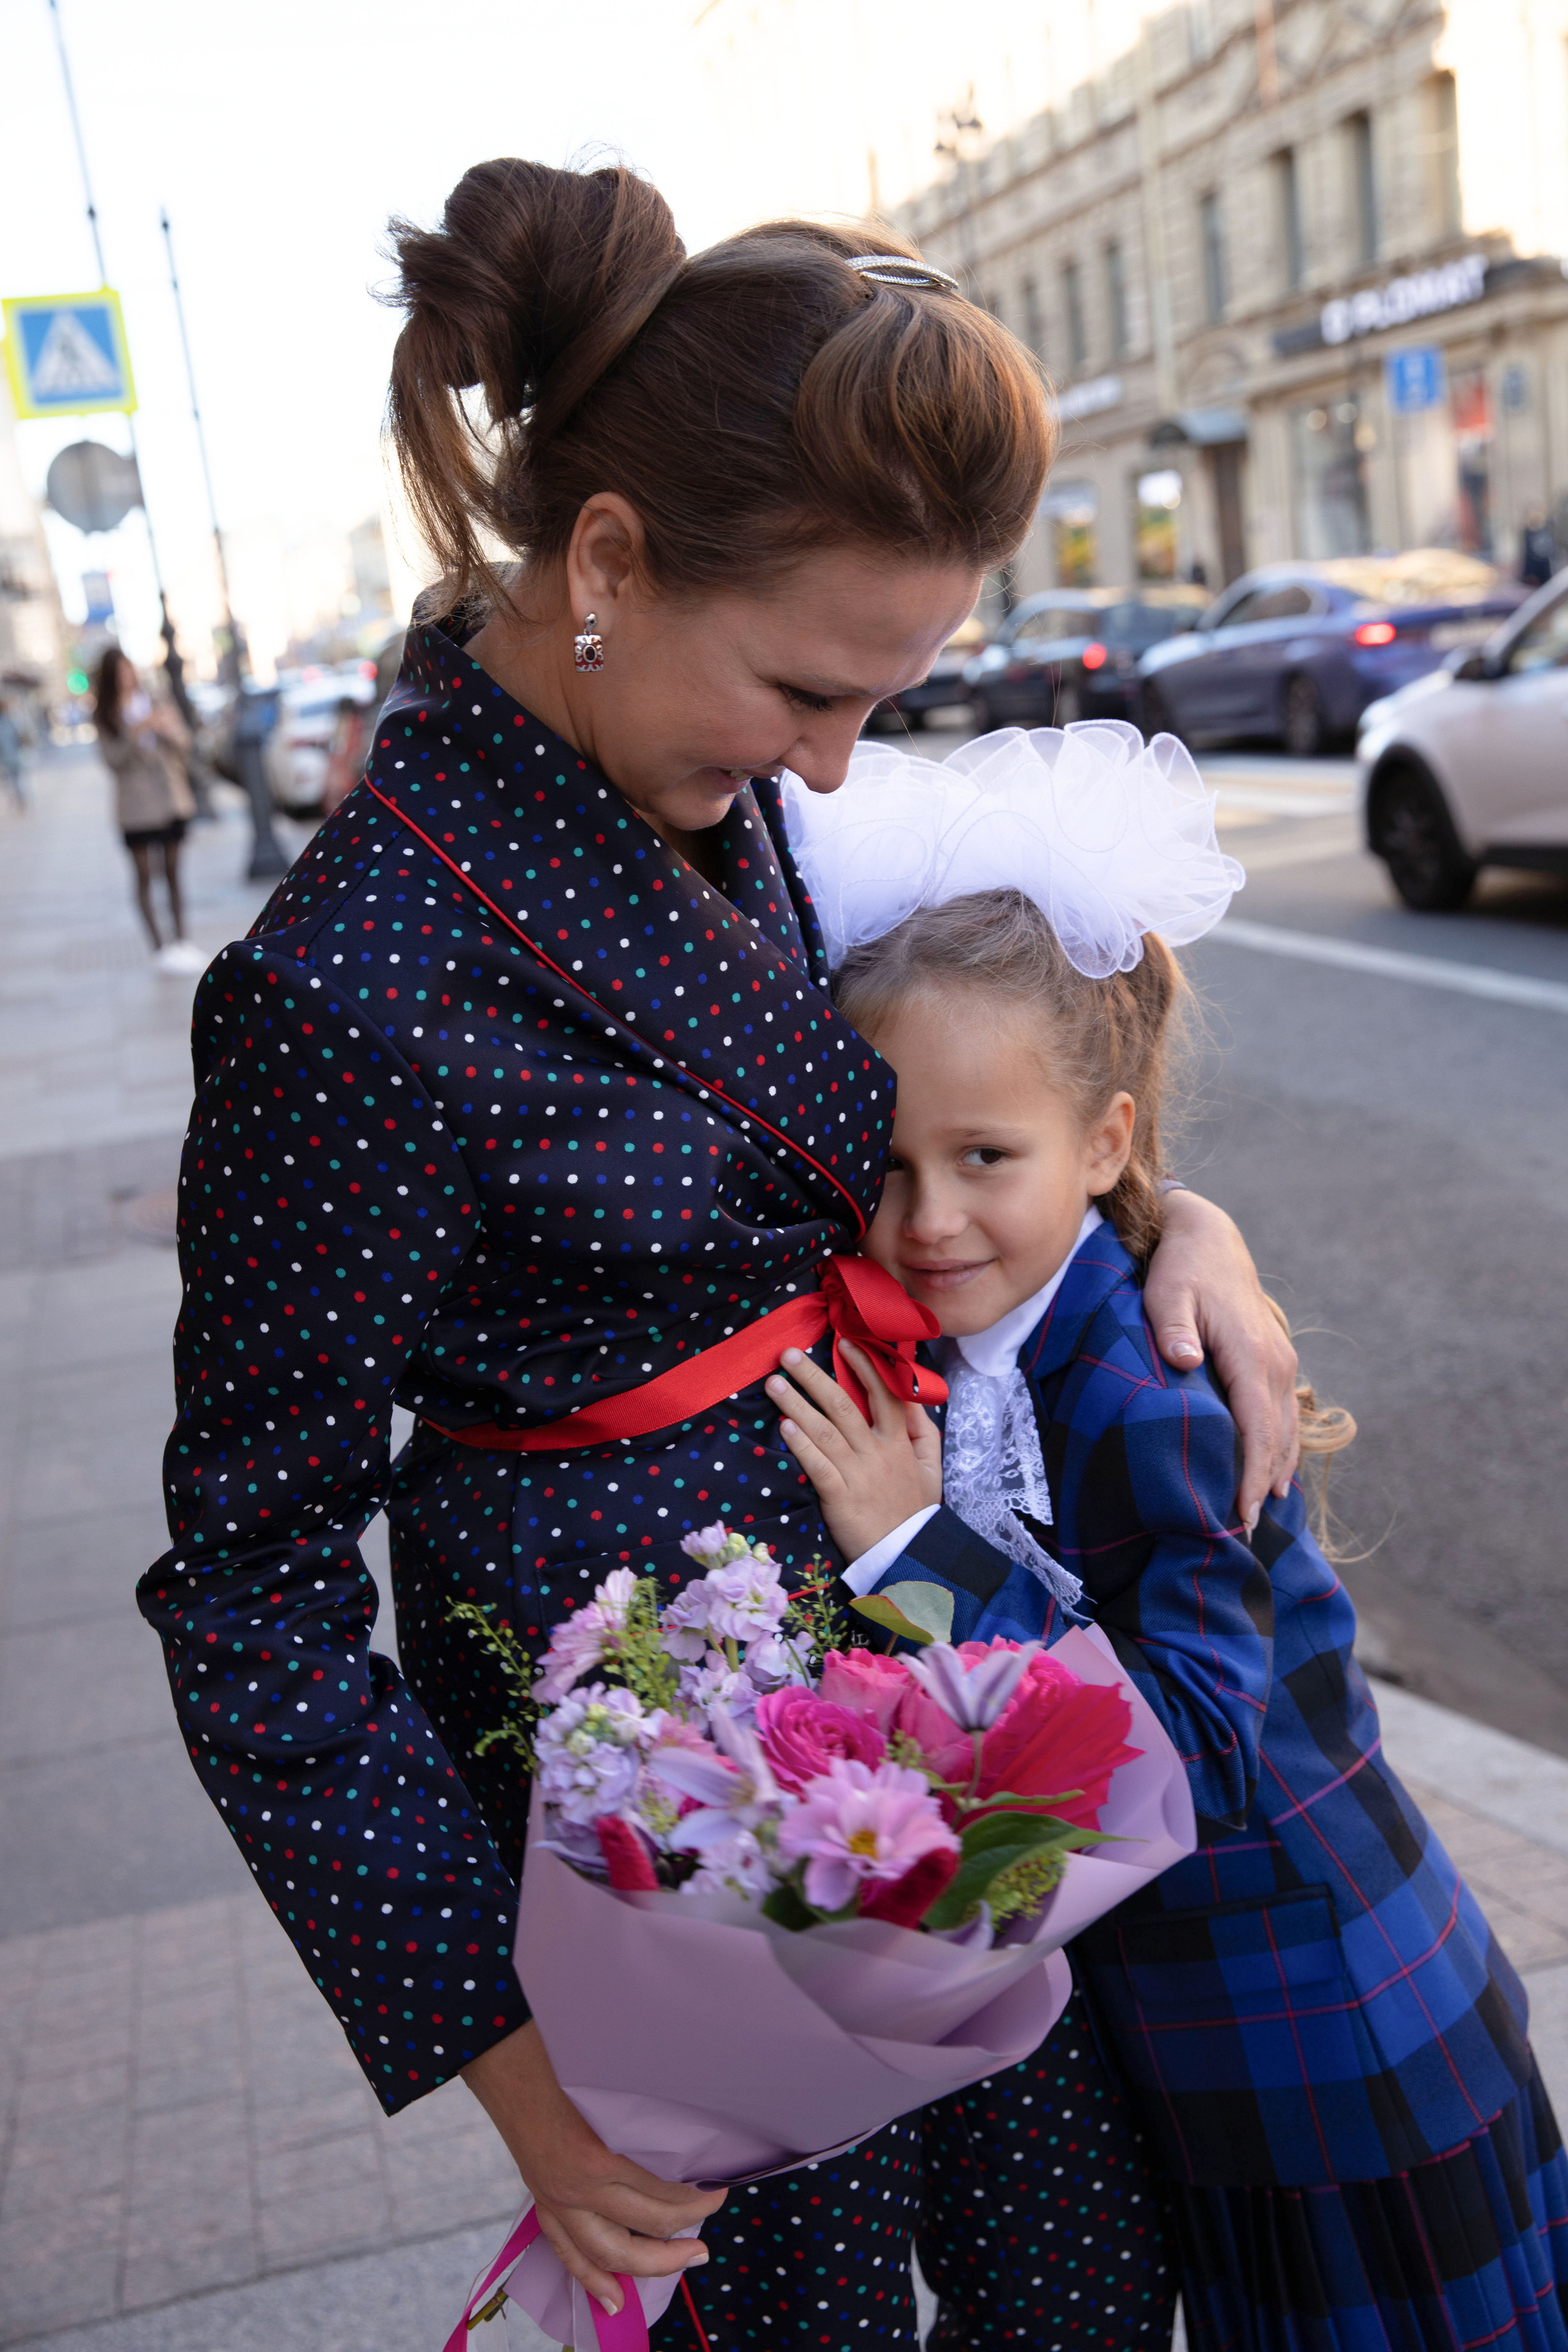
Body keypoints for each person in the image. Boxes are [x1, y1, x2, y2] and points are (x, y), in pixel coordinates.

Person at [137, 158, 1303, 2335]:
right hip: (663, 1804)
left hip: (931, 1690)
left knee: (1078, 2282)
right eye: (802, 688)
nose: (837, 761)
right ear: (605, 561)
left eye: (881, 695)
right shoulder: (355, 984)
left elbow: (1001, 1057)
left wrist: (1175, 1214)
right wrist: (510, 2077)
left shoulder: (716, 773)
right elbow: (249, 1590)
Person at [767, 733, 1566, 2352]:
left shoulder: (1154, 1389)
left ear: (1110, 1143)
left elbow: (1192, 1760)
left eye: (986, 1159)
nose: (928, 1221)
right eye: (889, 1168)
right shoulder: (994, 1347)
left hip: (1335, 2046)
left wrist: (915, 1549)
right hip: (1217, 2046)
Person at [92, 647, 203, 973]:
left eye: (129, 670)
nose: (127, 678)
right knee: (144, 875)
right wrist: (136, 733)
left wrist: (165, 728)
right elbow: (113, 762)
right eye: (119, 674)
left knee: (173, 871)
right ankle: (159, 947)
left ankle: (182, 941)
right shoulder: (106, 715)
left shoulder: (155, 700)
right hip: (135, 807)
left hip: (170, 799)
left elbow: (185, 742)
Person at [0, 692, 27, 810]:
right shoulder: (10, 721)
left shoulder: (9, 721)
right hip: (10, 757)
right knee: (14, 779)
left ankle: (18, 798)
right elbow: (19, 737)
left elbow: (19, 737)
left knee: (13, 779)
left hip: (9, 757)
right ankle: (18, 798)